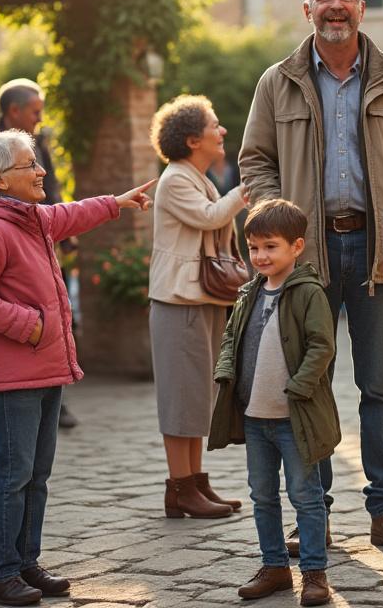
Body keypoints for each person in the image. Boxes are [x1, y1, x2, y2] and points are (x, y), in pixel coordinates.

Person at [239, 0, 383, 554]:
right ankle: (317, 513)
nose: (336, 6)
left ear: (362, 8)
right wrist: (277, 215)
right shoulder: (275, 82)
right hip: (307, 256)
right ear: (307, 10)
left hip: (379, 251)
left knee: (380, 385)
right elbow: (254, 158)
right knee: (312, 384)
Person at [0, 131, 153, 605]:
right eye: (31, 165)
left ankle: (26, 561)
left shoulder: (31, 219)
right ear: (0, 178)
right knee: (13, 475)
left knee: (37, 475)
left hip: (46, 371)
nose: (42, 170)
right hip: (14, 376)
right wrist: (32, 327)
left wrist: (115, 203)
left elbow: (70, 214)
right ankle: (1, 573)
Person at [209, 200, 339, 607]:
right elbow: (231, 337)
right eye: (254, 248)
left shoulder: (307, 292)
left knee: (306, 495)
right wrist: (226, 372)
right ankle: (274, 566)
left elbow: (323, 345)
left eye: (271, 247)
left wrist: (299, 387)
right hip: (255, 417)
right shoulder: (249, 292)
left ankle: (314, 574)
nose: (261, 256)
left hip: (293, 417)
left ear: (296, 247)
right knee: (262, 495)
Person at [148, 94, 248, 520]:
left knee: (197, 395)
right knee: (180, 397)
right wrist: (247, 190)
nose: (222, 131)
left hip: (201, 297)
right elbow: (210, 217)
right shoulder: (175, 180)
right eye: (215, 125)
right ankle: (180, 487)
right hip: (179, 299)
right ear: (192, 140)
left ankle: (194, 482)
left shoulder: (194, 176)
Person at [0, 78, 81, 431]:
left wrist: (108, 207)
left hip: (37, 232)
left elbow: (53, 191)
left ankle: (53, 398)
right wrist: (30, 326)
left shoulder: (37, 143)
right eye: (35, 112)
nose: (40, 119)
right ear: (14, 111)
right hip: (6, 248)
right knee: (16, 470)